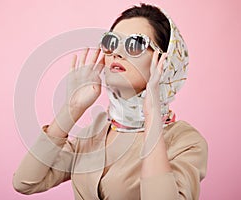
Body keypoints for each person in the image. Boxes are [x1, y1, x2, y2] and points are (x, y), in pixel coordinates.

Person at [13, 3, 208, 200]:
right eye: (111, 42)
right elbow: (25, 182)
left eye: (134, 44)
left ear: (164, 62)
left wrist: (152, 117)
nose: (117, 53)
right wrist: (72, 109)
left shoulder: (186, 142)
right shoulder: (94, 131)